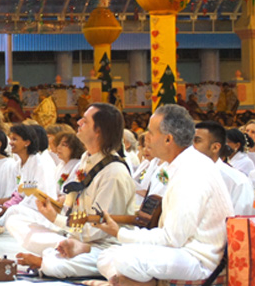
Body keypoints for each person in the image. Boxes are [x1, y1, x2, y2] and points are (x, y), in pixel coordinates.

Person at [94, 105, 234, 285]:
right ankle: (123, 282)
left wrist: (120, 233)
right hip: (182, 251)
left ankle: (129, 282)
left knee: (125, 259)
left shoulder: (191, 171)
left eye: (151, 133)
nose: (147, 139)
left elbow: (172, 239)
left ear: (168, 139)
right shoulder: (182, 164)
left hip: (199, 260)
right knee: (108, 254)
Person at [7, 103, 135, 279]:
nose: (79, 121)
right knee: (16, 221)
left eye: (85, 121)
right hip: (75, 235)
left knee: (56, 265)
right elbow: (72, 207)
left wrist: (57, 220)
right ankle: (62, 249)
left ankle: (50, 258)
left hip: (102, 246)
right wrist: (55, 213)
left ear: (98, 131)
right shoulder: (86, 159)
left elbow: (99, 230)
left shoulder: (114, 172)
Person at [194, 121, 254, 215]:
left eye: (197, 141)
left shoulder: (237, 182)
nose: (191, 147)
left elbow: (241, 222)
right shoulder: (183, 174)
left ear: (215, 147)